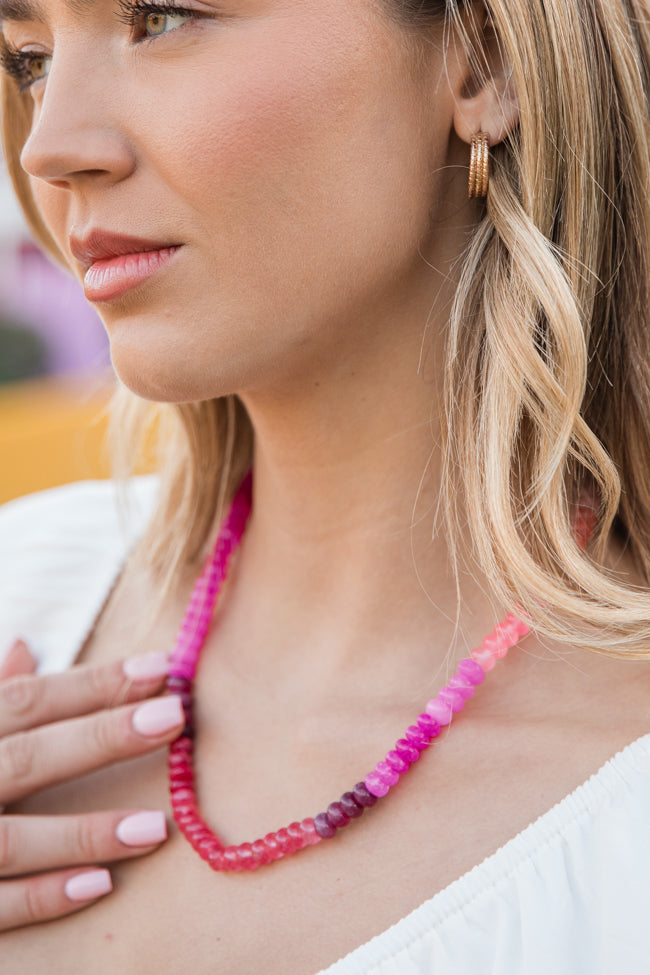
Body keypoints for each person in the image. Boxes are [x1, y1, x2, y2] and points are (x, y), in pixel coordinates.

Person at [1, 0, 650, 970]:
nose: (51, 147)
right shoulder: (23, 588)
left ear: (483, 63)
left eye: (162, 19)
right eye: (29, 58)